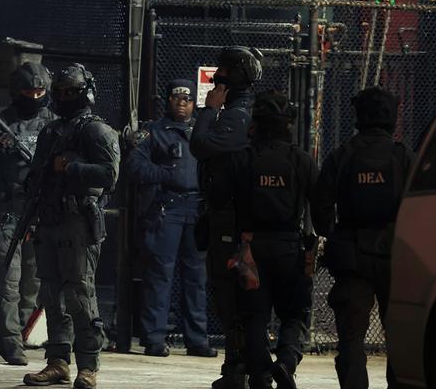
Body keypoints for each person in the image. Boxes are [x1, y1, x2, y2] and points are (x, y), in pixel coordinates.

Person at [22, 63, 120, 389]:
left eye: (71, 92)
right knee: (51, 294)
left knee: (79, 294)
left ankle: (88, 366)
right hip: (49, 221)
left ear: (86, 93)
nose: (64, 98)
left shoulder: (96, 131)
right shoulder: (51, 132)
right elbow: (36, 175)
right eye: (60, 92)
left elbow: (109, 175)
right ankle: (58, 361)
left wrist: (72, 167)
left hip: (78, 222)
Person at [312, 87, 415, 389]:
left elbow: (320, 205)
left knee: (351, 338)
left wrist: (333, 236)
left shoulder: (342, 155)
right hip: (395, 254)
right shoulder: (404, 157)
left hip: (352, 253)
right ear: (391, 118)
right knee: (398, 334)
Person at [0, 61, 57, 365]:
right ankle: (9, 339)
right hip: (4, 213)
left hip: (38, 214)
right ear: (17, 92)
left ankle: (17, 331)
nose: (34, 96)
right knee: (9, 282)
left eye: (40, 90)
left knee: (34, 284)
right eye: (29, 90)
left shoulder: (52, 122)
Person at [227, 91, 318, 389]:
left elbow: (220, 198)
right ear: (288, 124)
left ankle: (262, 375)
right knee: (295, 313)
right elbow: (320, 204)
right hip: (290, 246)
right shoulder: (301, 160)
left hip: (250, 248)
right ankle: (286, 361)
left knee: (254, 316)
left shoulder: (243, 159)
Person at [125, 79, 216, 358]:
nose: (182, 103)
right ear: (168, 100)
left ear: (193, 103)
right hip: (167, 208)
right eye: (177, 98)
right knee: (160, 275)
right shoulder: (154, 132)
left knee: (196, 278)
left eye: (187, 100)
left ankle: (197, 339)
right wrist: (166, 175)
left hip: (197, 210)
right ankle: (154, 338)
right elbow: (134, 166)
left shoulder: (204, 131)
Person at [190, 46, 263, 389]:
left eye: (222, 73)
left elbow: (201, 145)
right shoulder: (240, 112)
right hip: (230, 217)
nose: (217, 78)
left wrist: (208, 110)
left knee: (229, 294)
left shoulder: (236, 116)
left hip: (231, 222)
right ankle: (239, 367)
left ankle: (239, 370)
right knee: (231, 295)